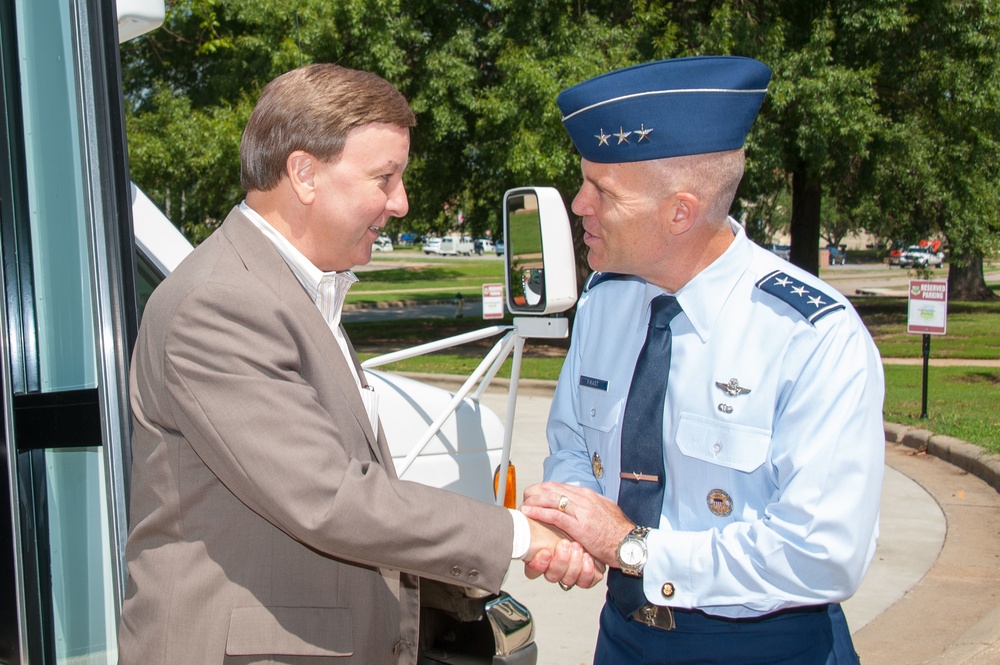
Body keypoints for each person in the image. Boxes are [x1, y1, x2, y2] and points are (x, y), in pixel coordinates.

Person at [117, 63, 600, 665]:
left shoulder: (295, 288)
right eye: (385, 177)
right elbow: (330, 497)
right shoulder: (220, 303)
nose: (400, 203)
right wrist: (523, 536)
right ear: (304, 173)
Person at [519, 56, 886, 664]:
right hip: (624, 636)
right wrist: (570, 521)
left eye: (601, 190)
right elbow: (575, 446)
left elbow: (823, 554)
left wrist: (633, 549)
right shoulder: (606, 304)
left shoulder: (810, 335)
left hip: (768, 648)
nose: (578, 205)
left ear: (680, 212)